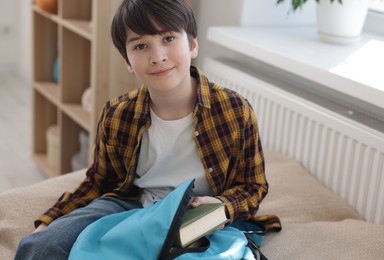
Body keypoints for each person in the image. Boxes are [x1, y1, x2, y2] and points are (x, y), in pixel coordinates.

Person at [15, 0, 280, 258]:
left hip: (194, 213)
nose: (158, 57)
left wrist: (224, 206)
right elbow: (98, 182)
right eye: (141, 45)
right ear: (128, 61)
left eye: (168, 39)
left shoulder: (234, 110)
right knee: (40, 248)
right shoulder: (118, 113)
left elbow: (253, 185)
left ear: (193, 45)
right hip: (130, 204)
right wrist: (51, 221)